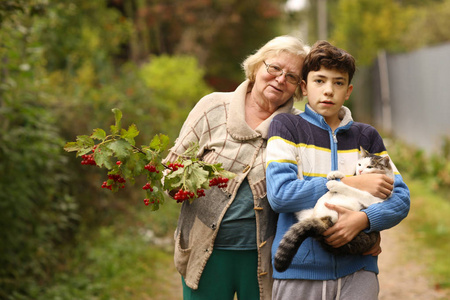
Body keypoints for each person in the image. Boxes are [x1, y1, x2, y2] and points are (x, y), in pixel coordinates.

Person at [162, 35, 308, 300]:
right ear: (256, 66)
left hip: (266, 258)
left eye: (292, 76)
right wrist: (179, 183)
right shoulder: (213, 107)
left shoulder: (300, 128)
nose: (280, 79)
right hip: (205, 253)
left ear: (299, 87)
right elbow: (172, 169)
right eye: (274, 68)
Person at [266, 40, 410, 300]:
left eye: (338, 82)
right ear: (303, 86)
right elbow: (281, 195)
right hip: (299, 272)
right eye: (319, 81)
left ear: (349, 90)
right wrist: (352, 183)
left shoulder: (366, 136)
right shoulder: (286, 127)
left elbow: (400, 198)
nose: (329, 90)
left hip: (359, 272)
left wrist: (363, 220)